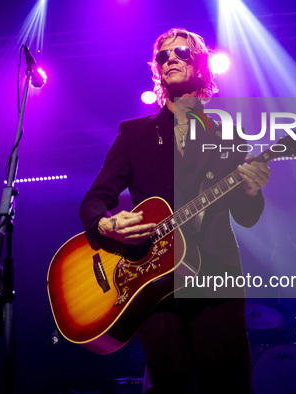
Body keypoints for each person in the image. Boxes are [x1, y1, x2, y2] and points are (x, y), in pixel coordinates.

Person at [80, 28, 271, 393]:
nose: (170, 58)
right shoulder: (134, 135)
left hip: (216, 279)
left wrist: (251, 189)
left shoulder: (227, 134)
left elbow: (247, 215)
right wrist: (105, 223)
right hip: (154, 284)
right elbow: (94, 198)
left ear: (200, 66)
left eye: (180, 52)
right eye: (162, 56)